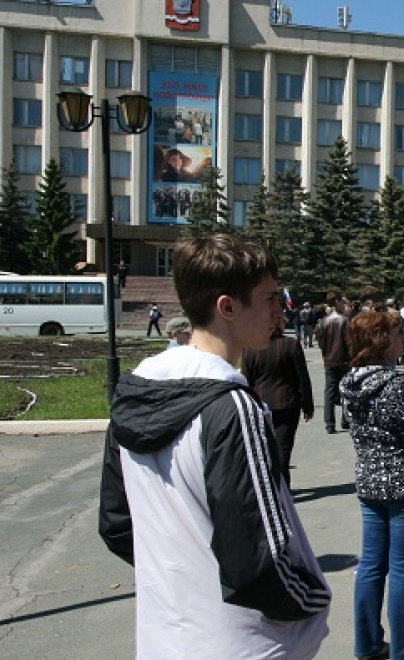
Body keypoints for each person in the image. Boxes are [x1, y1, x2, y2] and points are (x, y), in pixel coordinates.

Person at [98, 234, 330, 659]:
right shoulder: (232, 407)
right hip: (242, 642)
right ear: (227, 307)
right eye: (270, 298)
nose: (281, 310)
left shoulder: (133, 394)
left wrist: (185, 573)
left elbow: (117, 526)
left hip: (165, 634)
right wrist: (316, 598)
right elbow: (260, 560)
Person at [341, 309, 404, 660]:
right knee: (403, 570)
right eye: (399, 335)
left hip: (370, 484)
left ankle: (367, 645)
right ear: (383, 342)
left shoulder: (352, 384)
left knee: (371, 566)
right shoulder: (397, 386)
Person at [242, 315, 314, 485]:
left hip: (260, 404)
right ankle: (282, 487)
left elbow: (246, 380)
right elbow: (302, 378)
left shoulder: (250, 348)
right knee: (283, 449)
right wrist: (308, 405)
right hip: (287, 403)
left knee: (264, 448)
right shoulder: (290, 345)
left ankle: (270, 485)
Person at [316, 294, 350, 434]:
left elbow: (319, 340)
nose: (344, 304)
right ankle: (345, 419)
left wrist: (326, 353)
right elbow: (349, 341)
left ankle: (329, 423)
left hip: (329, 360)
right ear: (337, 302)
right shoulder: (344, 320)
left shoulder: (323, 322)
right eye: (342, 302)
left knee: (329, 392)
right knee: (345, 390)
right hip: (344, 359)